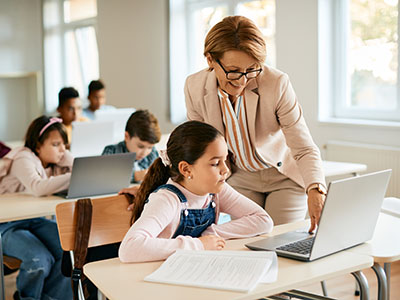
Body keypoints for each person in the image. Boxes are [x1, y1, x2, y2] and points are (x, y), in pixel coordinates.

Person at [184, 16, 326, 233]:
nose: (242, 80)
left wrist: (316, 188)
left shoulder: (276, 83)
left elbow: (303, 146)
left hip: (283, 176)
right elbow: (197, 149)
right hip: (239, 178)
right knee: (251, 244)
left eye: (251, 69)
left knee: (281, 244)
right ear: (210, 60)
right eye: (233, 70)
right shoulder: (194, 87)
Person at [119, 120, 273, 263]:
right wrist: (198, 244)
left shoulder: (216, 190)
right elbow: (129, 248)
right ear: (186, 169)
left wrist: (212, 233)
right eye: (215, 163)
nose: (225, 170)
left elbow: (263, 221)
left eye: (225, 160)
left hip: (197, 267)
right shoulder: (167, 200)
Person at [0, 116, 73, 300]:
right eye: (56, 144)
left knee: (68, 252)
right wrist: (74, 174)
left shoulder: (54, 163)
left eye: (65, 144)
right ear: (38, 145)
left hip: (34, 221)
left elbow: (82, 172)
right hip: (7, 225)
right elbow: (38, 186)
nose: (62, 150)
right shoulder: (23, 157)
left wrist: (70, 161)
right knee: (39, 260)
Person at [102, 109, 160, 183]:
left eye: (150, 147)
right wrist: (136, 176)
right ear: (127, 137)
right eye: (140, 146)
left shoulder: (152, 154)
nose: (145, 152)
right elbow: (105, 177)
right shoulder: (111, 152)